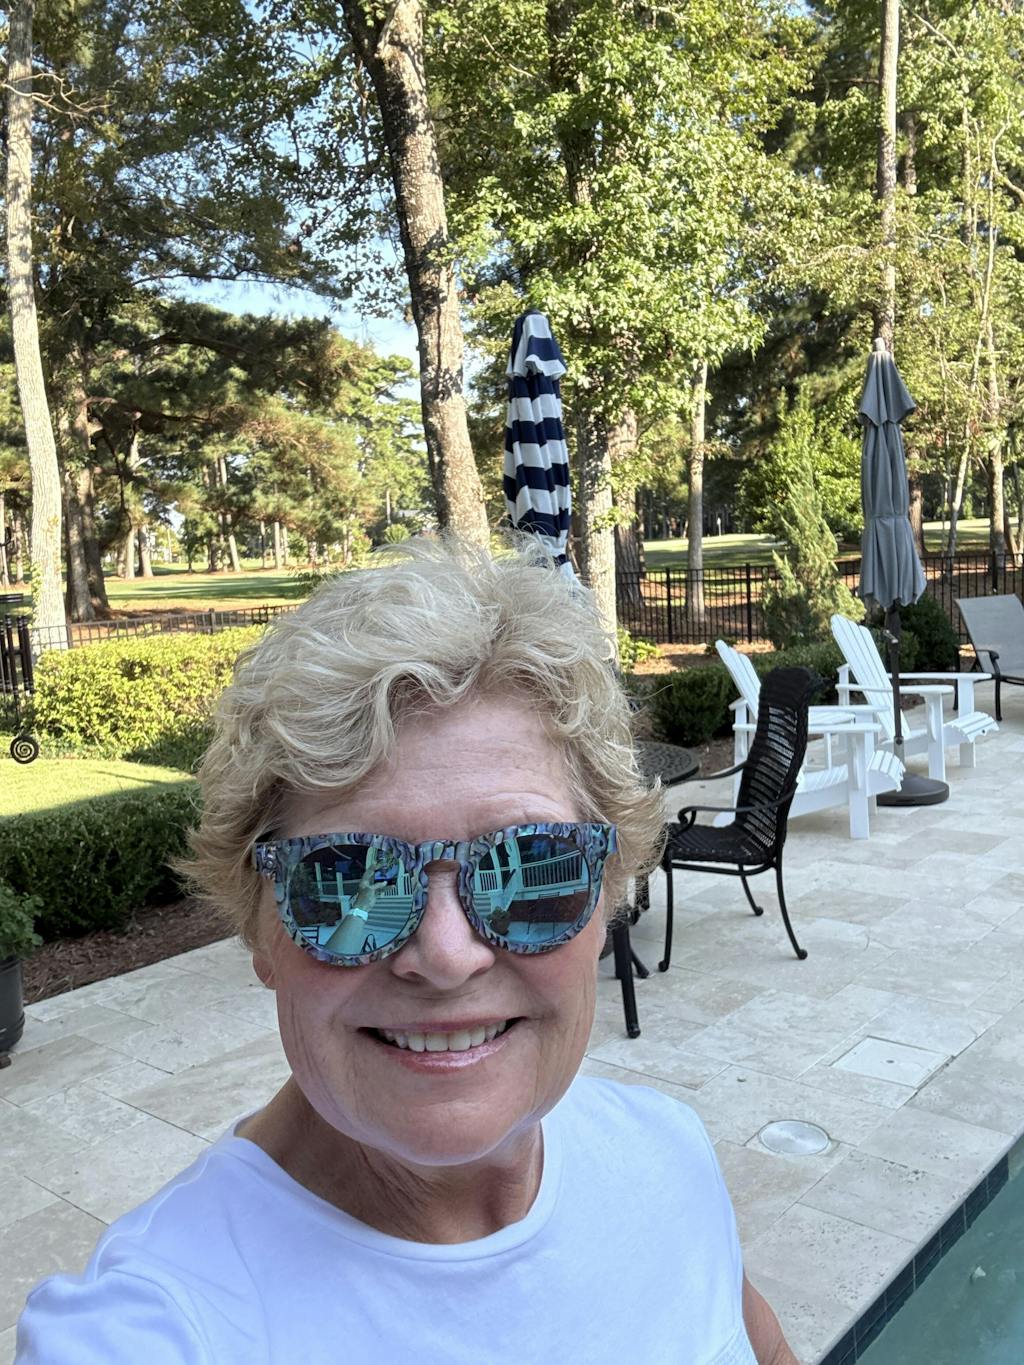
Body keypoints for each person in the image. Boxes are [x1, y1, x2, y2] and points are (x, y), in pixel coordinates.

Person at [16, 538, 797, 1364]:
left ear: (606, 899)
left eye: (530, 864)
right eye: (349, 879)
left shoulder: (666, 1150)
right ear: (260, 929)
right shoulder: (151, 1327)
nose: (447, 953)